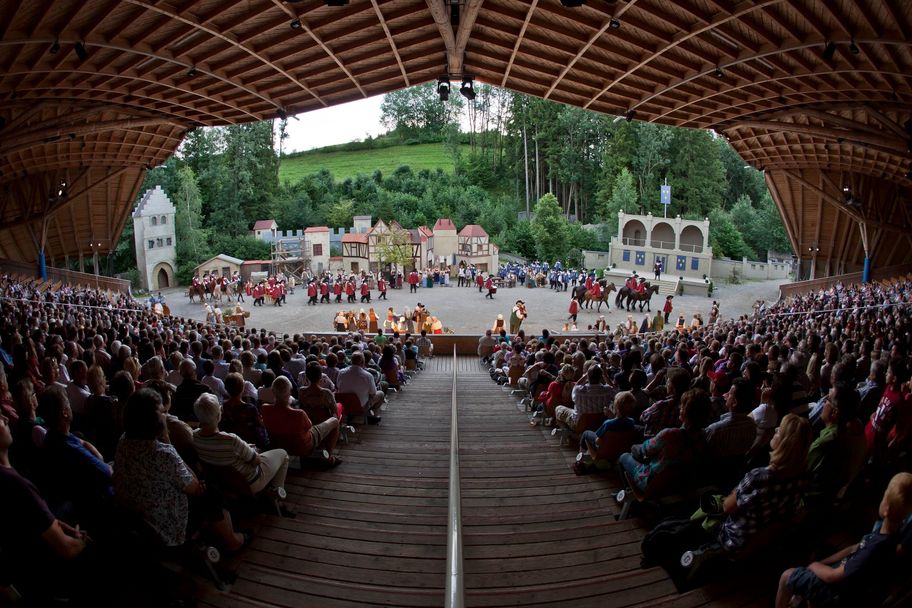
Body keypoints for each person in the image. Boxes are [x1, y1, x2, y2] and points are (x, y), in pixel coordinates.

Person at [114, 389, 247, 550]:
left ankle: (218, 529)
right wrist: (168, 440)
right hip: (167, 527)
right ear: (153, 420)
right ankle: (232, 541)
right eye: (163, 412)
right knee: (211, 493)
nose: (165, 416)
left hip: (138, 519)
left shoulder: (123, 441)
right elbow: (195, 487)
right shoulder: (162, 453)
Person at [775, 472, 912, 608]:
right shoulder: (890, 534)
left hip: (835, 593)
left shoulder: (874, 548)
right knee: (813, 574)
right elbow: (854, 548)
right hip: (846, 584)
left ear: (886, 509)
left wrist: (814, 566)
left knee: (786, 576)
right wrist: (823, 563)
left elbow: (831, 576)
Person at [192, 394, 291, 503]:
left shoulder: (194, 436)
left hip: (222, 483)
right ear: (218, 415)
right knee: (283, 454)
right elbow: (256, 461)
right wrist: (253, 452)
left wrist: (246, 449)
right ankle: (276, 498)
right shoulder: (230, 440)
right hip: (248, 482)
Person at [264, 374, 341, 465]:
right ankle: (329, 458)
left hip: (278, 445)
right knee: (334, 421)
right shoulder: (299, 414)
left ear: (273, 391)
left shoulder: (265, 408)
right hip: (303, 447)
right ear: (290, 392)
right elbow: (309, 426)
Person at [336, 351, 383, 425]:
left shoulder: (341, 372)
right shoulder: (368, 376)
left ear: (351, 361)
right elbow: (373, 393)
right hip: (360, 407)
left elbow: (338, 386)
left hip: (344, 405)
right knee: (380, 394)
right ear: (362, 362)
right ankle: (372, 416)